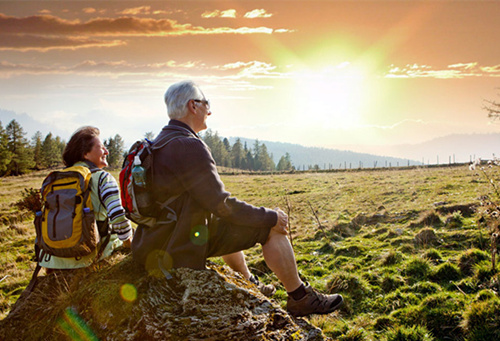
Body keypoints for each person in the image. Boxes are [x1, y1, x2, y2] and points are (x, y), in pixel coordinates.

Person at [131, 80, 343, 317]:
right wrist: (270, 216)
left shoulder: (159, 142)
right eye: (206, 103)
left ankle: (249, 282)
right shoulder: (189, 145)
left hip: (153, 242)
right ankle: (300, 298)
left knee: (228, 223)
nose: (209, 111)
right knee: (271, 229)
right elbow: (221, 205)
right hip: (177, 247)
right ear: (193, 106)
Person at [39, 126, 133, 270]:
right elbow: (118, 217)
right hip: (90, 256)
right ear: (85, 154)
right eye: (101, 147)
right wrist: (129, 245)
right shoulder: (103, 178)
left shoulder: (58, 179)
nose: (107, 151)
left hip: (54, 259)